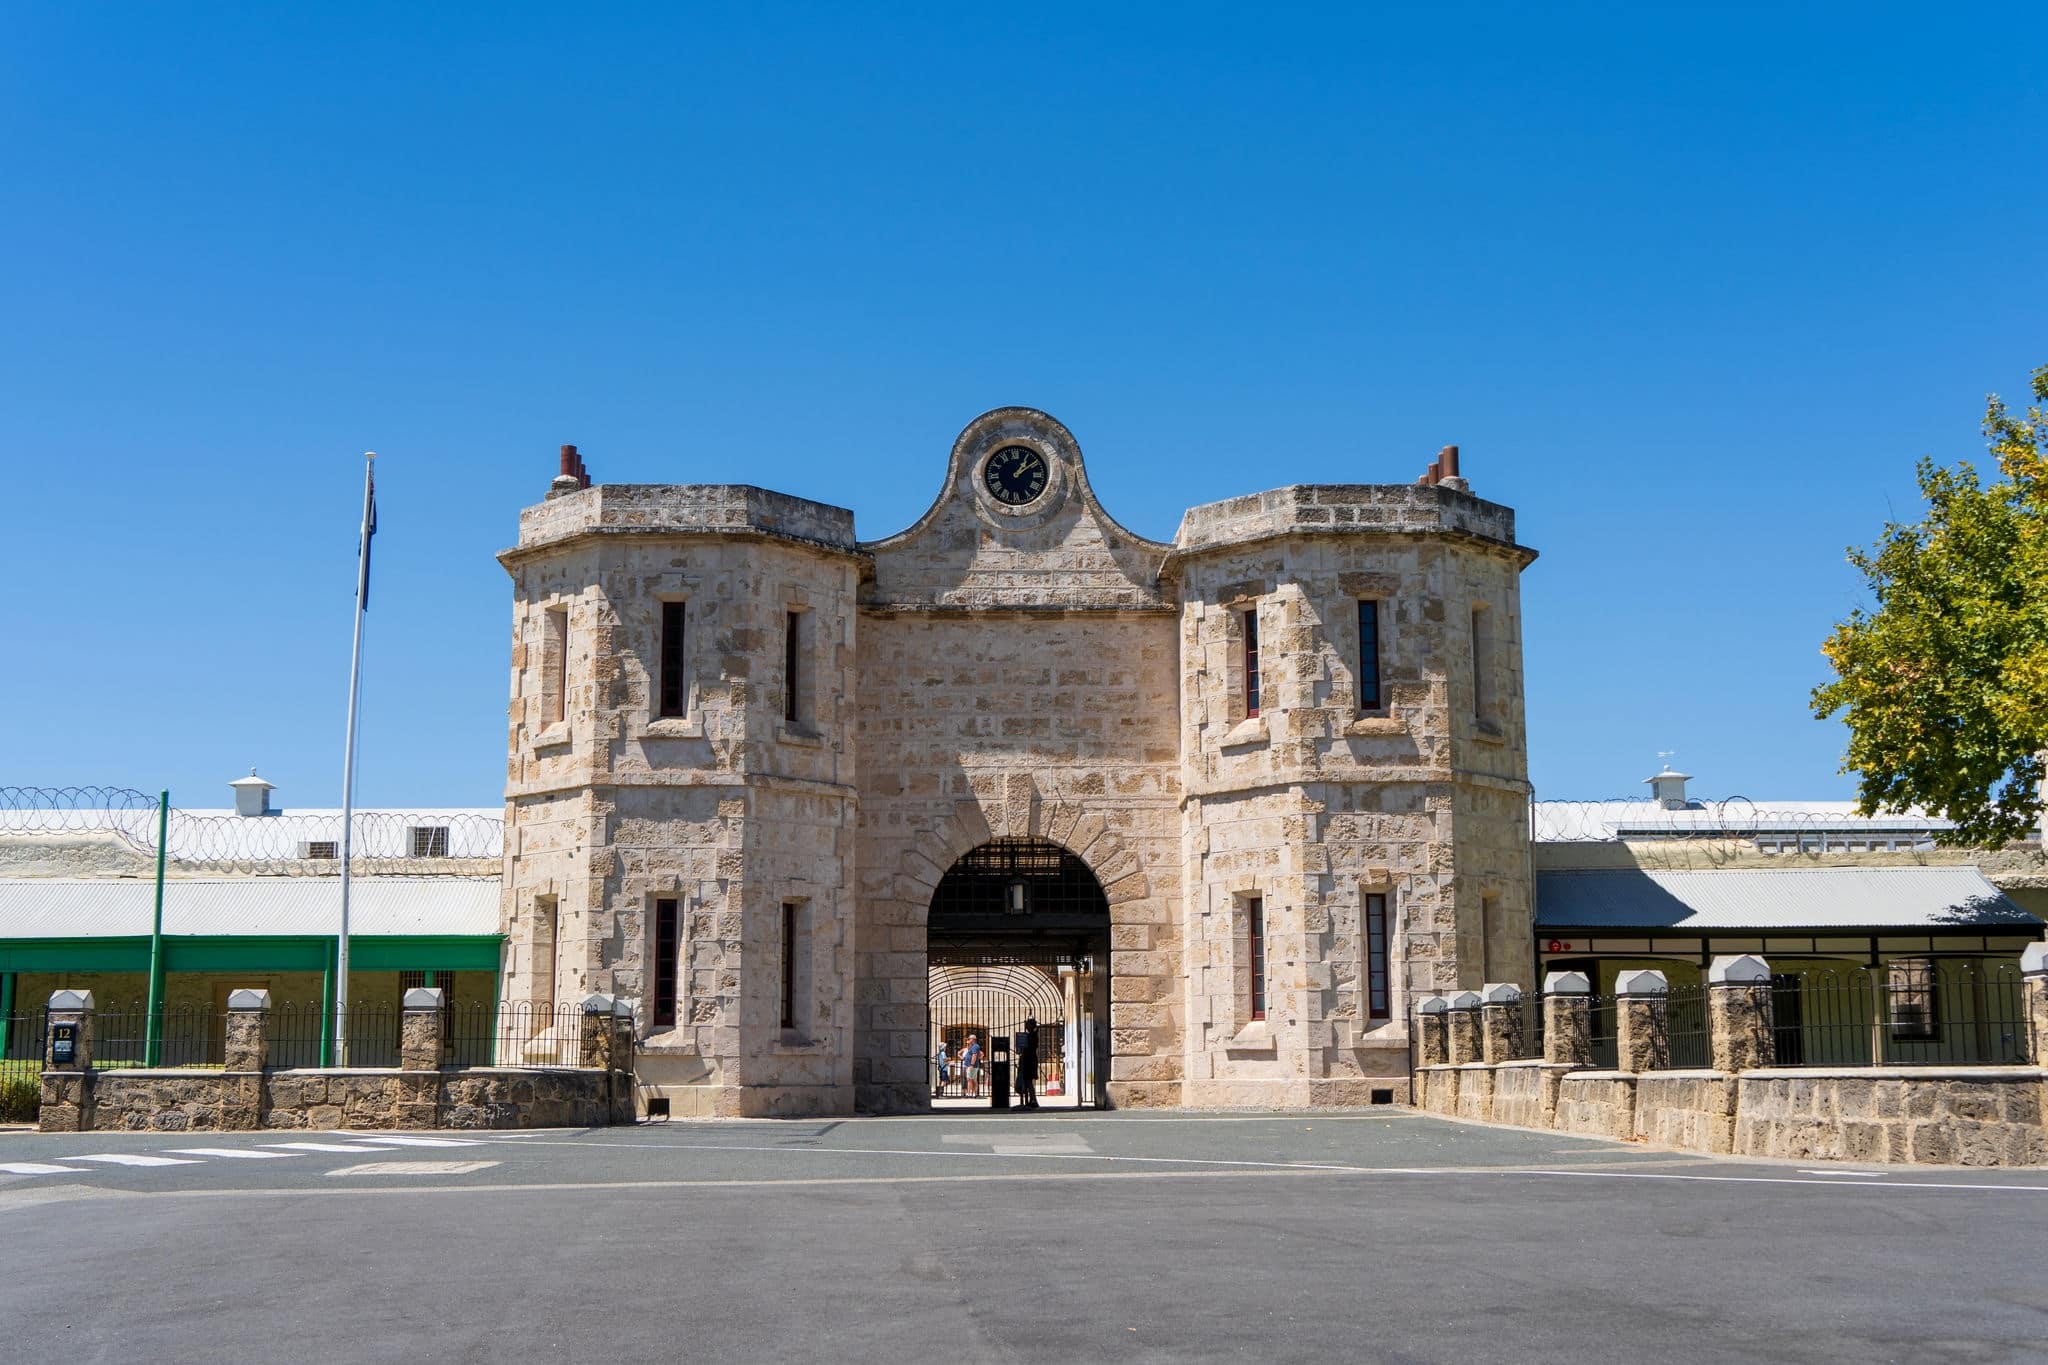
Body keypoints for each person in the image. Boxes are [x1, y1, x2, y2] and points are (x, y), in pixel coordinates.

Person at [1015, 1017, 1040, 1109]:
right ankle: (1032, 1100)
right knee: (1028, 1081)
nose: (1025, 1026)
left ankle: (1033, 1100)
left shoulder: (1031, 1036)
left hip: (1029, 1059)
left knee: (1029, 1081)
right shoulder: (1032, 1034)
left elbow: (1027, 1048)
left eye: (1027, 1024)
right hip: (1029, 1059)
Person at [959, 1032, 983, 1097]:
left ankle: (969, 1094)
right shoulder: (972, 1046)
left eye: (969, 1038)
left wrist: (971, 1064)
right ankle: (973, 1094)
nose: (968, 1039)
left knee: (970, 1079)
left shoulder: (975, 1046)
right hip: (970, 1065)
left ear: (973, 1039)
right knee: (972, 1079)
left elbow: (974, 1055)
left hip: (972, 1066)